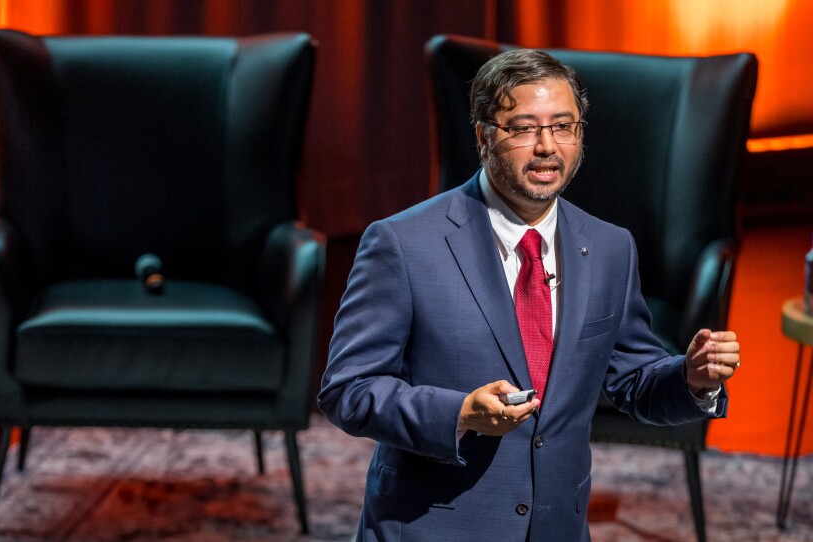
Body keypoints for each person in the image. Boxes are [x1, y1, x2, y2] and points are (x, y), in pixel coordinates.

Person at [317, 48, 740, 542]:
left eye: (563, 126)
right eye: (523, 128)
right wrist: (459, 415)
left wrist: (690, 378)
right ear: (483, 136)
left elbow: (634, 381)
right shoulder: (402, 244)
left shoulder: (608, 248)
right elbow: (347, 389)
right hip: (431, 527)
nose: (546, 146)